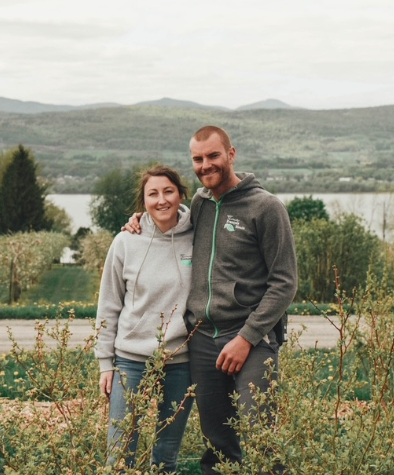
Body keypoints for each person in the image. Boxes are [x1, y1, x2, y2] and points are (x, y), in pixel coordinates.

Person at [127, 126, 298, 474]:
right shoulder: (201, 205)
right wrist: (138, 222)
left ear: (231, 154)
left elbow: (285, 283)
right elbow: (167, 220)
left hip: (251, 338)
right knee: (217, 444)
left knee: (259, 434)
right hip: (203, 339)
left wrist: (246, 338)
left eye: (213, 156)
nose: (206, 165)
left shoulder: (265, 207)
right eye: (198, 159)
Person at [95, 165, 195, 473]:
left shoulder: (200, 236)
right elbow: (109, 304)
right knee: (120, 451)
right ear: (143, 201)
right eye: (153, 193)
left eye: (168, 191)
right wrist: (105, 363)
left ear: (180, 195)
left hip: (181, 360)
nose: (161, 200)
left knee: (166, 455)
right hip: (131, 360)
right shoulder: (126, 241)